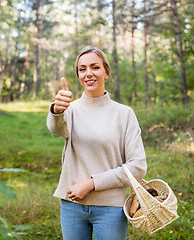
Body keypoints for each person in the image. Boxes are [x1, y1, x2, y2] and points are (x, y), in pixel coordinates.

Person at [46, 46, 147, 240]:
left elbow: (138, 167)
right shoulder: (70, 110)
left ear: (106, 73)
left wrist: (92, 183)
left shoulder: (124, 114)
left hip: (111, 209)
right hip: (72, 206)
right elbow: (57, 129)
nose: (88, 73)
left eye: (95, 67)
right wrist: (57, 110)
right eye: (82, 69)